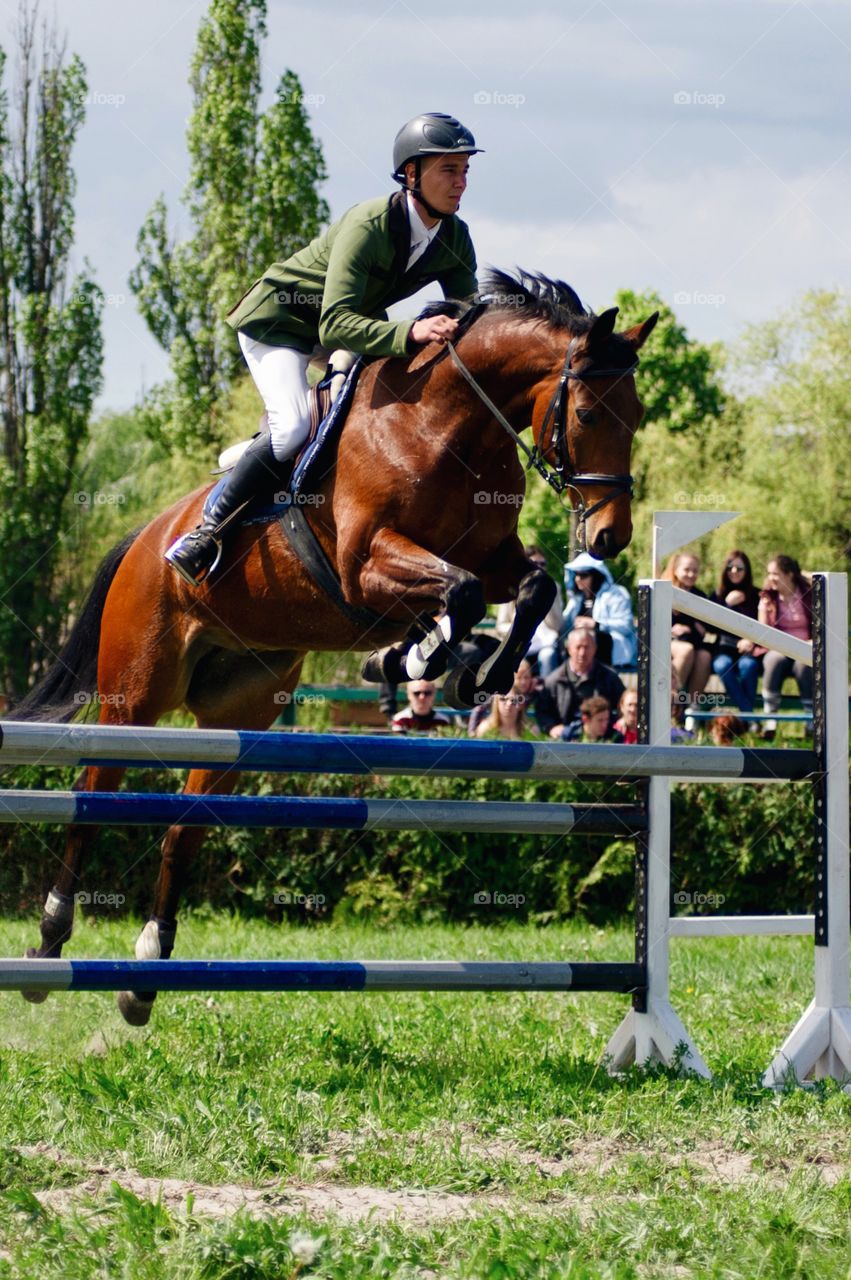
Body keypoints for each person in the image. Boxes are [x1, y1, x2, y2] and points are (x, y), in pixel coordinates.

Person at [165, 112, 483, 586]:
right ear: (411, 174)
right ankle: (208, 529)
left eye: (464, 172)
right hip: (280, 323)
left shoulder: (453, 235)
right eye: (448, 170)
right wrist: (409, 333)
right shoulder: (369, 224)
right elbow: (335, 322)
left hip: (345, 330)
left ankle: (266, 455)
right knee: (293, 428)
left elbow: (467, 313)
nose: (460, 183)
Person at [535, 629, 625, 741]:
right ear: (569, 649)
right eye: (578, 647)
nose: (582, 653)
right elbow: (542, 711)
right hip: (565, 742)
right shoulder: (552, 681)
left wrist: (620, 721)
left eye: (587, 647)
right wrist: (551, 727)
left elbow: (623, 704)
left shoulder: (610, 678)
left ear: (595, 649)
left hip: (603, 741)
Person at [757, 555, 813, 734]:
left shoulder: (808, 594)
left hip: (805, 646)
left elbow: (820, 623)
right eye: (769, 573)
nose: (771, 578)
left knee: (804, 665)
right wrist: (765, 607)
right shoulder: (768, 597)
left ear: (789, 575)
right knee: (774, 660)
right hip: (778, 648)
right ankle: (770, 719)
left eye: (776, 573)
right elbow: (762, 630)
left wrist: (814, 642)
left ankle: (811, 720)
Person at [495, 547, 564, 678]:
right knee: (517, 658)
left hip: (546, 643)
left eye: (542, 564)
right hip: (518, 640)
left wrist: (545, 597)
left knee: (548, 655)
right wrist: (520, 630)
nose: (539, 568)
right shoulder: (513, 586)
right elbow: (501, 625)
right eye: (535, 564)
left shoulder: (554, 587)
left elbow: (557, 625)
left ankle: (545, 694)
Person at [562, 551, 637, 669]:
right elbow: (564, 626)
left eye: (583, 575)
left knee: (597, 637)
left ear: (596, 576)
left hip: (612, 654)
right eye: (576, 574)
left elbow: (626, 625)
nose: (577, 579)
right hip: (580, 651)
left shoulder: (616, 594)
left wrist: (596, 624)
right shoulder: (576, 600)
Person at [710, 550, 761, 718]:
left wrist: (751, 640)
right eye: (730, 567)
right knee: (721, 665)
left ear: (747, 571)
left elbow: (764, 624)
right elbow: (711, 627)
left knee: (749, 666)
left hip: (748, 649)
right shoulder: (717, 595)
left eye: (740, 568)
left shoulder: (757, 595)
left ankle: (747, 719)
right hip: (724, 648)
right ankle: (749, 717)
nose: (734, 572)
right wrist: (726, 605)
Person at [662, 552, 711, 719]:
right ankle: (671, 703)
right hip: (665, 642)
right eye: (687, 570)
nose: (691, 574)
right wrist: (674, 628)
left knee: (704, 656)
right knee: (686, 650)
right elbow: (657, 622)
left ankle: (692, 710)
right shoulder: (665, 592)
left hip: (692, 643)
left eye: (695, 571)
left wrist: (688, 628)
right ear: (675, 570)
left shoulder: (700, 596)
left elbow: (701, 631)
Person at [468, 659, 538, 736]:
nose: (523, 682)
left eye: (526, 677)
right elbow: (479, 709)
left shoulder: (536, 691)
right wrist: (472, 730)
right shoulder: (498, 692)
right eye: (519, 677)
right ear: (512, 678)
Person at [474, 674, 541, 740]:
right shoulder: (484, 730)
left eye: (513, 700)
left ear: (520, 704)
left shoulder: (532, 731)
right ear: (496, 704)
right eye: (503, 699)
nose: (509, 704)